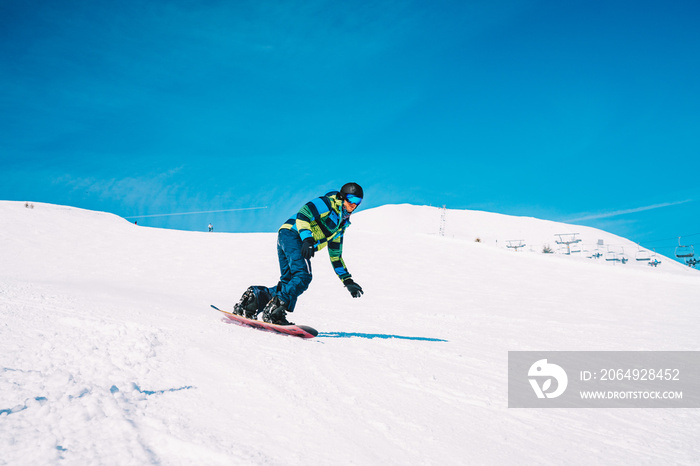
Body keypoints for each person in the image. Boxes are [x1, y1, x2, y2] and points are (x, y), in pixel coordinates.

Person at [233, 182, 365, 325]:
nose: (354, 205)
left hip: (287, 235)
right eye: (351, 199)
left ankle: (253, 300)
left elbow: (336, 256)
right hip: (293, 234)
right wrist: (307, 239)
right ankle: (274, 312)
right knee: (303, 276)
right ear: (342, 196)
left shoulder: (340, 226)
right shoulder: (328, 203)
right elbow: (304, 213)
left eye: (358, 202)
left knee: (289, 282)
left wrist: (348, 281)